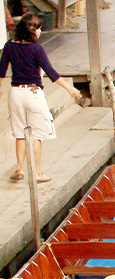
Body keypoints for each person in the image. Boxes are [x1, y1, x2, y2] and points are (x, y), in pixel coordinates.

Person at [0, 13, 82, 182]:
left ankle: (19, 169)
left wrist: (0, 89)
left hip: (15, 93)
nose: (40, 31)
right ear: (32, 30)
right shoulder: (37, 49)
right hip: (33, 93)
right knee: (37, 135)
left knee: (20, 133)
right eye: (38, 28)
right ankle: (37, 173)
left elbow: (1, 71)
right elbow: (51, 73)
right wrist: (70, 89)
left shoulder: (9, 46)